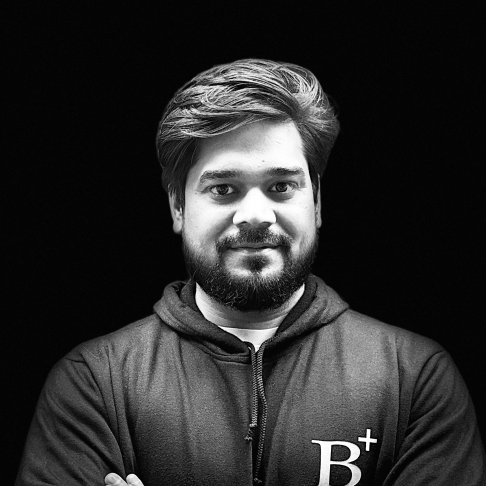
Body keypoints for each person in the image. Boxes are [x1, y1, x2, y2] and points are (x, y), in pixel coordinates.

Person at [16, 59, 485, 486]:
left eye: (281, 186)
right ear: (178, 206)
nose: (255, 215)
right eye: (224, 189)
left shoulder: (414, 378)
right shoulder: (95, 382)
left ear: (317, 201)